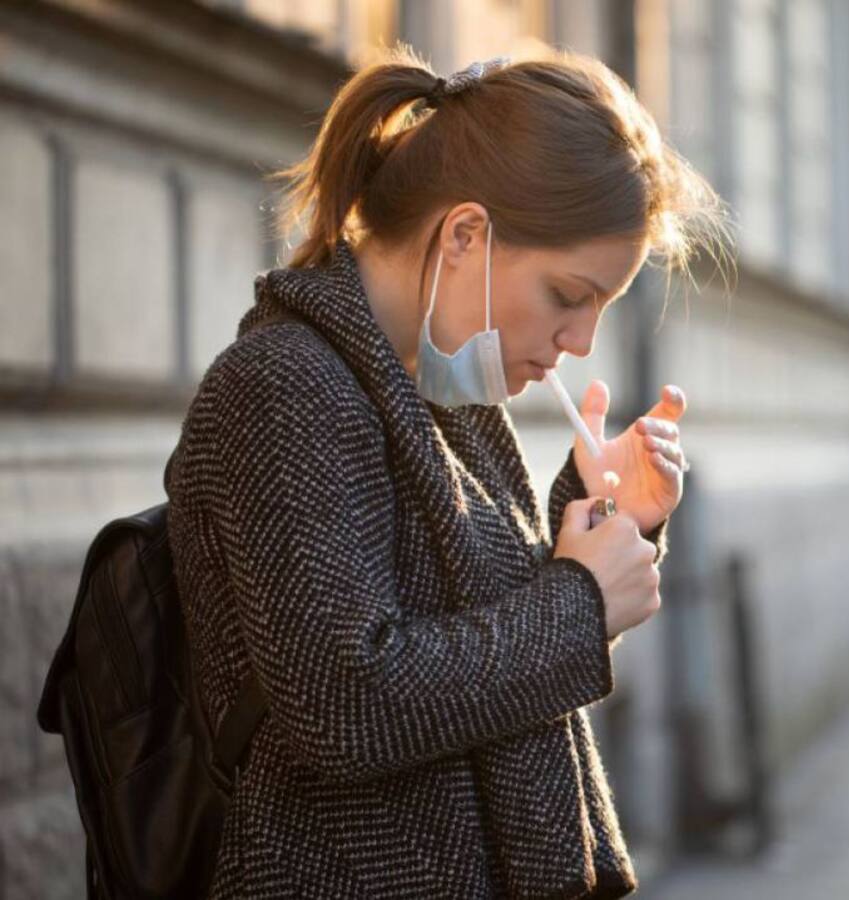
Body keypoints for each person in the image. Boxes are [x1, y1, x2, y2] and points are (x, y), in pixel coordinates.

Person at [165, 45, 728, 899]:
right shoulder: (284, 386)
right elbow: (347, 704)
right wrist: (580, 602)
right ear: (465, 234)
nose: (579, 342)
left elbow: (477, 647)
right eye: (567, 296)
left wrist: (606, 518)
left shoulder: (441, 394)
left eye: (600, 312)